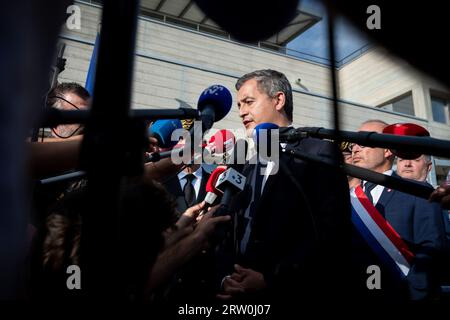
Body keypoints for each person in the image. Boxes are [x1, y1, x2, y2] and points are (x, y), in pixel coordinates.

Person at [217, 69, 351, 303]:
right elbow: (233, 231)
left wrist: (270, 279)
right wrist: (226, 277)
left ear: (278, 100)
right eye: (239, 105)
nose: (242, 112)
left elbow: (331, 231)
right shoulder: (245, 165)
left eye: (248, 102)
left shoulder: (317, 152)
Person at [351, 119, 446, 300]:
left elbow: (431, 251)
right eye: (355, 142)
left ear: (387, 150)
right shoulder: (349, 198)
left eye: (364, 142)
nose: (355, 148)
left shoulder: (417, 191)